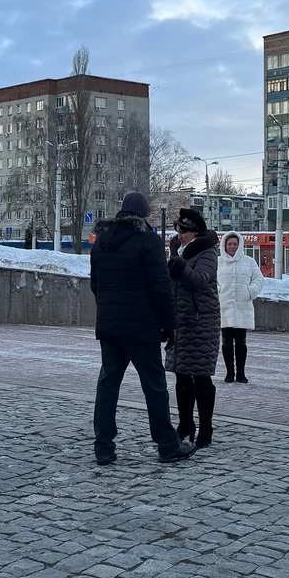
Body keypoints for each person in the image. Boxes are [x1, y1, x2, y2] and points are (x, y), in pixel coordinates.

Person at [90, 193, 192, 465]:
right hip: (142, 327)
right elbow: (161, 288)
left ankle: (103, 446)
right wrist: (170, 326)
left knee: (108, 384)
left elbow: (95, 284)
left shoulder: (102, 240)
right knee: (154, 386)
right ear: (144, 215)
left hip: (110, 326)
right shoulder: (148, 241)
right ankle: (167, 445)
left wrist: (109, 313)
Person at [168, 208, 221, 448]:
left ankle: (206, 427)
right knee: (181, 375)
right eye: (178, 231)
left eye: (184, 232)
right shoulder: (178, 251)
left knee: (201, 376)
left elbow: (200, 279)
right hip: (181, 321)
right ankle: (185, 424)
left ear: (195, 232)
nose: (180, 236)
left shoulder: (207, 252)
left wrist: (179, 266)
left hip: (202, 321)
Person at [217, 231, 265, 384]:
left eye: (235, 244)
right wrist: (219, 292)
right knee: (226, 341)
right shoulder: (218, 262)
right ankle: (229, 373)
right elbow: (210, 280)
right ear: (224, 245)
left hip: (242, 306)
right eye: (229, 244)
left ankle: (241, 373)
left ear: (240, 245)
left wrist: (250, 291)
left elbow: (259, 278)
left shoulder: (249, 261)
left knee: (241, 342)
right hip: (224, 306)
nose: (232, 247)